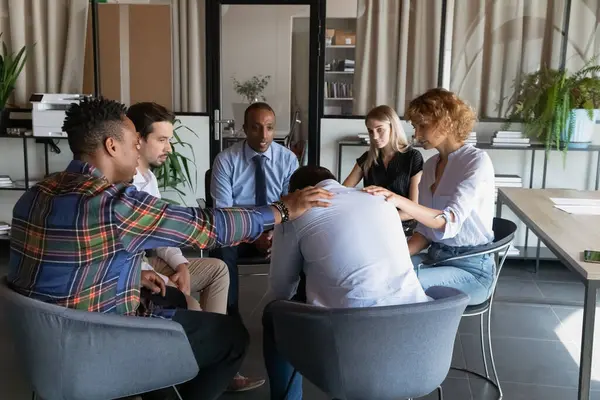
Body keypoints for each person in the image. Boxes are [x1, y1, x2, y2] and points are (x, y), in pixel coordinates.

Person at [7, 96, 332, 400]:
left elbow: (73, 266)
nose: (138, 153)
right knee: (231, 337)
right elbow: (208, 227)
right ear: (111, 146)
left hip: (43, 350)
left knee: (175, 302)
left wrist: (133, 276)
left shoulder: (35, 195)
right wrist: (283, 210)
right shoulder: (114, 204)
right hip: (99, 346)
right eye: (135, 144)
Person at [127, 102, 263, 392]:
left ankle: (212, 361)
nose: (169, 148)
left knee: (218, 270)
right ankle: (208, 361)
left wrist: (182, 264)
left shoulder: (148, 178)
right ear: (137, 139)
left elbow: (159, 232)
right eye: (162, 140)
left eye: (170, 140)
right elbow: (127, 253)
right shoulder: (126, 185)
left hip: (149, 262)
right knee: (191, 304)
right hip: (137, 270)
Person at [263, 165, 430, 400]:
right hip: (418, 338)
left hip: (350, 344)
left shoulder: (297, 212)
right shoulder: (381, 201)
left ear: (299, 194)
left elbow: (281, 288)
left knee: (273, 316)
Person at [363, 88, 496, 306]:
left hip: (472, 269)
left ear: (446, 122)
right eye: (415, 127)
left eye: (422, 126)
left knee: (395, 284)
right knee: (378, 273)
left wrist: (396, 198)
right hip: (436, 259)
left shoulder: (476, 161)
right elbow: (425, 231)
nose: (416, 135)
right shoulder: (431, 164)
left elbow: (447, 221)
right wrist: (391, 257)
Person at [210, 102, 299, 315]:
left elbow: (293, 205)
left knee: (309, 241)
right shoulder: (226, 160)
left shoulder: (288, 160)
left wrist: (273, 234)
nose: (263, 135)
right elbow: (224, 212)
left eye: (269, 128)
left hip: (277, 230)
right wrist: (254, 234)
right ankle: (230, 319)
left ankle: (293, 313)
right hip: (238, 232)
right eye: (256, 127)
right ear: (245, 128)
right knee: (221, 247)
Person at [343, 105, 424, 235]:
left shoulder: (412, 157)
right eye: (370, 131)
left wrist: (377, 219)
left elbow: (413, 209)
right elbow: (343, 191)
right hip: (372, 226)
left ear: (393, 128)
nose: (374, 136)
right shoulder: (367, 159)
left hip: (402, 228)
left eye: (380, 130)